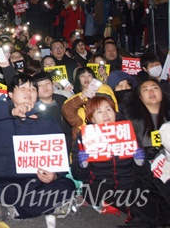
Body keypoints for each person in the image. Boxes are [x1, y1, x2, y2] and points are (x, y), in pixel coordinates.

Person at [0, 74, 76, 221]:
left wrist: (55, 174)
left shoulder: (48, 122)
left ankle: (13, 210)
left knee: (67, 184)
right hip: (4, 182)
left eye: (33, 89)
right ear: (10, 94)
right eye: (22, 88)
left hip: (37, 181)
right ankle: (48, 205)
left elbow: (59, 156)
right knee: (0, 192)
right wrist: (12, 110)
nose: (28, 92)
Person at [70, 95, 170, 226]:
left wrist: (139, 161)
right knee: (145, 208)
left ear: (115, 113)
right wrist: (83, 164)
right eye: (99, 111)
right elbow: (78, 175)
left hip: (130, 182)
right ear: (92, 118)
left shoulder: (127, 132)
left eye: (108, 109)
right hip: (100, 186)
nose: (105, 114)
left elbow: (144, 170)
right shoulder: (84, 137)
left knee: (159, 201)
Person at [123, 78, 170, 161]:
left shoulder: (167, 116)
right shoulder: (134, 122)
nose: (151, 92)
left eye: (155, 88)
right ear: (140, 97)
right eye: (146, 90)